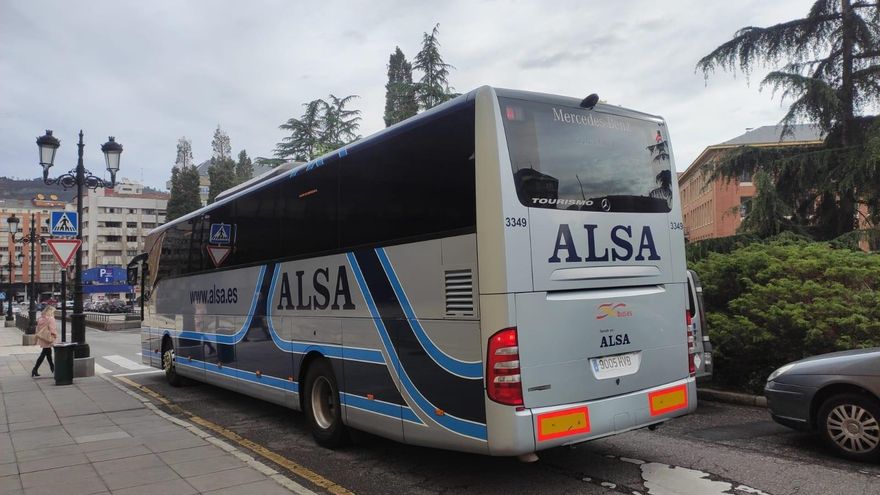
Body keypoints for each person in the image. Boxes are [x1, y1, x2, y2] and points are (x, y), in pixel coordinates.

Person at [32, 305, 58, 377]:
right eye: (53, 311)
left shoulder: (40, 318)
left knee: (48, 353)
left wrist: (37, 337)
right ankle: (35, 369)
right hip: (48, 338)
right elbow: (52, 329)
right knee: (44, 354)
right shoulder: (51, 319)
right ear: (50, 311)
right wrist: (54, 336)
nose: (54, 313)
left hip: (43, 338)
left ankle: (52, 368)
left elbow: (37, 329)